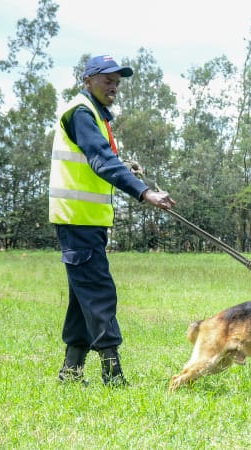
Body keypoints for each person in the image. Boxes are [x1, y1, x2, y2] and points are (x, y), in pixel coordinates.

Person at [49, 54, 176, 386]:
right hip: (78, 221)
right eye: (107, 80)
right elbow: (100, 160)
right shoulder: (80, 112)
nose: (114, 88)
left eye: (117, 83)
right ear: (87, 80)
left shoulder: (94, 116)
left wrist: (127, 169)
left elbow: (104, 158)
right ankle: (113, 376)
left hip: (84, 221)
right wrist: (144, 192)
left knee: (83, 297)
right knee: (100, 293)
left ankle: (71, 372)